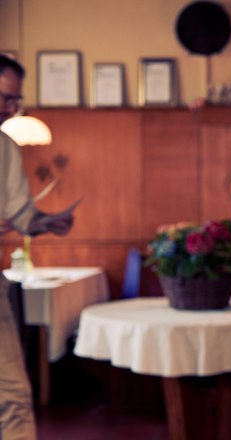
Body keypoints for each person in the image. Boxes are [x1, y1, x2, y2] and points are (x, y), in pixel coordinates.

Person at [1, 54, 73, 440]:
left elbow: (18, 214)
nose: (9, 109)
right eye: (3, 98)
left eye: (15, 101)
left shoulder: (6, 147)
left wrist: (46, 223)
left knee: (13, 397)